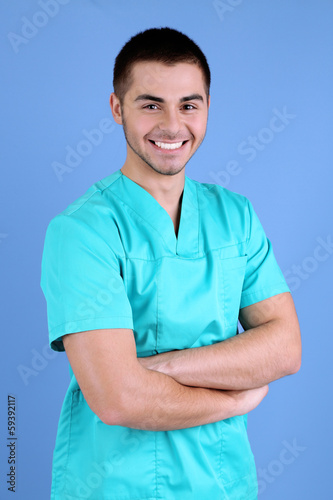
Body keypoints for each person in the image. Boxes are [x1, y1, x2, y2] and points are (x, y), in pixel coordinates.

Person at [40, 27, 301, 500]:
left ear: (206, 109)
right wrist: (235, 397)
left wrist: (156, 370)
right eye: (150, 103)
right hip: (115, 485)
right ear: (117, 108)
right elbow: (119, 400)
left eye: (189, 104)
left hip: (223, 484)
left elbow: (284, 349)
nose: (172, 125)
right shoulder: (81, 231)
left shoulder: (235, 216)